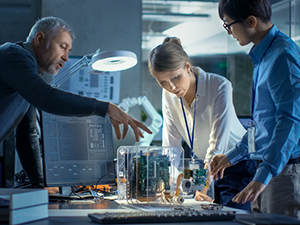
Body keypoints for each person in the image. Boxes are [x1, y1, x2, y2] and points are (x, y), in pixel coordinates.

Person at [0, 16, 152, 187]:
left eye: (68, 51)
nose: (65, 57)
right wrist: (105, 107)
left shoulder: (27, 75)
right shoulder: (13, 55)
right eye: (62, 47)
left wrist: (39, 184)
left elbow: (27, 133)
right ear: (40, 39)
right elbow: (46, 97)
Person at [210, 0, 300, 218]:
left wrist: (264, 173)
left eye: (228, 25)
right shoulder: (264, 56)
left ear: (251, 21)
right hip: (267, 170)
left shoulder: (282, 56)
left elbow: (290, 121)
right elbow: (261, 125)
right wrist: (233, 155)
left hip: (283, 171)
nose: (229, 32)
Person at [148, 37, 256, 210]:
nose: (171, 87)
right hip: (201, 167)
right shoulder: (168, 95)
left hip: (234, 164)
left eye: (176, 78)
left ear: (187, 67)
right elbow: (171, 147)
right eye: (162, 82)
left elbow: (216, 147)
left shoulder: (219, 86)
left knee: (232, 218)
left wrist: (204, 186)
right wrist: (169, 185)